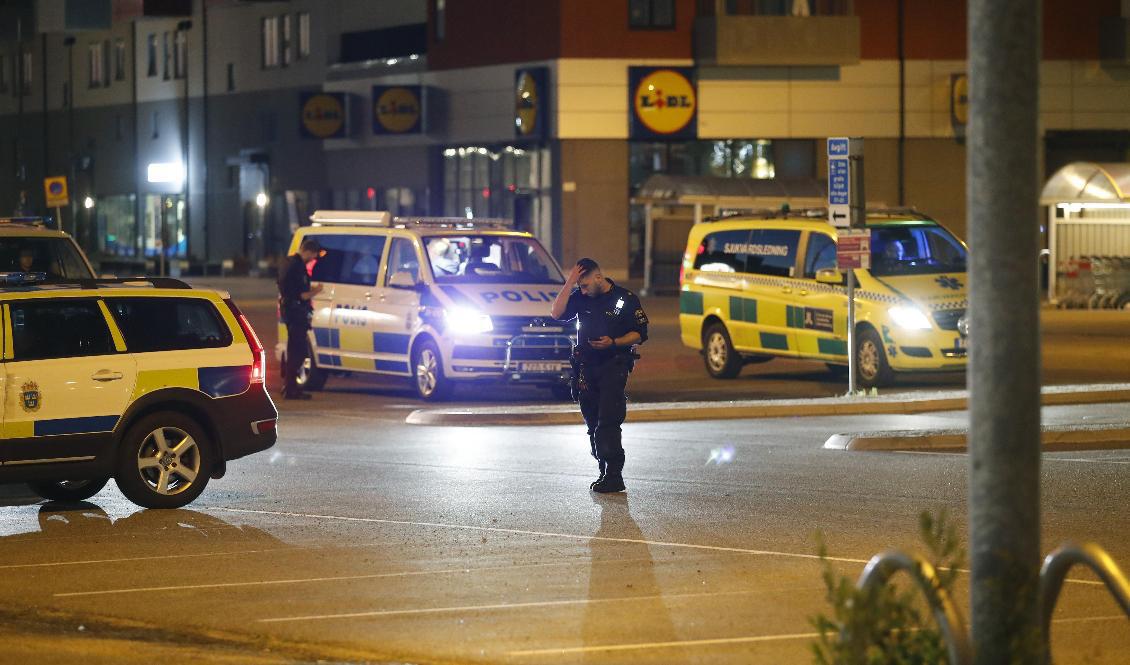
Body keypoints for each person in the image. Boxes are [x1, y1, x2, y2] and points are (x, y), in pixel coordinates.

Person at [551, 258, 649, 493]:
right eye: (579, 287)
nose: (582, 291)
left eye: (584, 285)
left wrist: (613, 342)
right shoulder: (581, 296)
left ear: (598, 278)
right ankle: (603, 469)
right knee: (592, 421)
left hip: (612, 365)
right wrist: (570, 282)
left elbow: (640, 333)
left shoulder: (625, 299)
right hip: (586, 367)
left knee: (608, 420)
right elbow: (556, 313)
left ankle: (614, 474)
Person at [277, 238, 323, 400]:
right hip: (296, 312)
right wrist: (316, 291)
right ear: (308, 252)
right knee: (298, 351)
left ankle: (290, 387)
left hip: (290, 311)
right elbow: (301, 294)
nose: (313, 260)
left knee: (295, 350)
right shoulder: (296, 267)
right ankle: (291, 389)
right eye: (313, 256)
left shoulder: (288, 263)